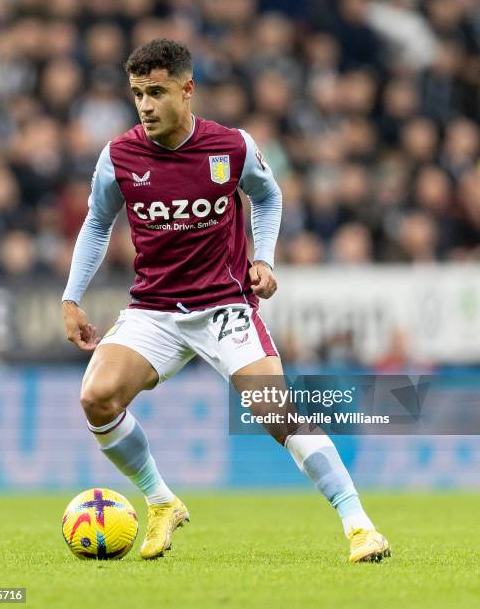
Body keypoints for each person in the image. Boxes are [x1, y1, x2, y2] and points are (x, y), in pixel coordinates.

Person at [61, 39, 390, 563]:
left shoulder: (231, 147)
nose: (145, 105)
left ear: (187, 90)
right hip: (154, 309)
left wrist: (266, 259)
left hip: (225, 307)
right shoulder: (119, 155)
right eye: (137, 93)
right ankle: (162, 501)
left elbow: (268, 194)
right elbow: (98, 222)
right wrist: (72, 296)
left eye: (157, 92)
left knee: (277, 413)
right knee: (96, 398)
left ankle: (360, 526)